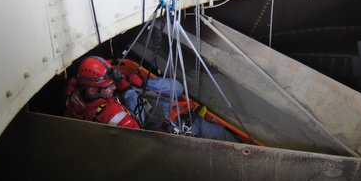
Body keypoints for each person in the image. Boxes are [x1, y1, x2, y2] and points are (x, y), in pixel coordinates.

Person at [65, 56, 237, 142]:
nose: (114, 87)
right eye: (110, 86)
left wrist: (134, 85)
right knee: (216, 133)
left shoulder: (77, 91)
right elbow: (140, 135)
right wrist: (128, 89)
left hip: (152, 107)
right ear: (94, 90)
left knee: (176, 89)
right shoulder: (112, 115)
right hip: (163, 124)